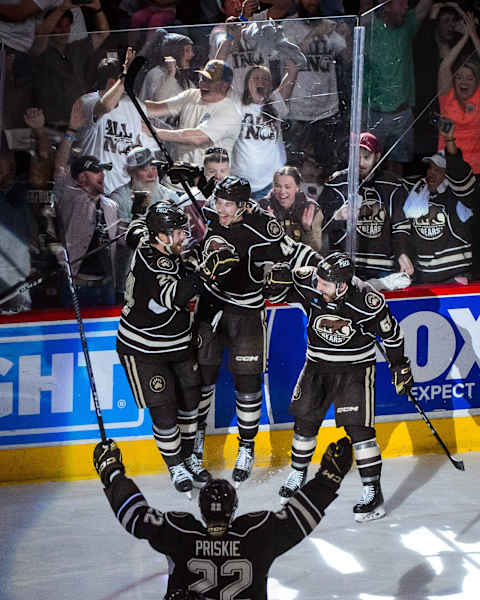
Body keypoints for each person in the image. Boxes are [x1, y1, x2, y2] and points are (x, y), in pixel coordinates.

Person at [93, 434, 353, 599]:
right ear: (234, 508)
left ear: (202, 510)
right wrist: (328, 479)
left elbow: (134, 516)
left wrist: (112, 473)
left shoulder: (180, 533)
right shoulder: (257, 535)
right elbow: (299, 517)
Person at [186, 175, 319, 485]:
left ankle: (246, 448)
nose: (220, 209)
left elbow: (295, 252)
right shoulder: (209, 214)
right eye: (218, 201)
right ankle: (195, 447)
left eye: (228, 204)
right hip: (211, 307)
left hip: (246, 312)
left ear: (245, 205)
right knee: (202, 380)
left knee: (247, 382)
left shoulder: (264, 226)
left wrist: (326, 270)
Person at [265, 252, 413, 521]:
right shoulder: (310, 280)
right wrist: (276, 283)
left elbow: (392, 334)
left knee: (360, 432)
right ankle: (298, 473)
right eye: (318, 280)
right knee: (305, 423)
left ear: (342, 285)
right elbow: (277, 294)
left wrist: (399, 365)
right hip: (317, 366)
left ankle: (373, 495)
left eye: (325, 284)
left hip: (355, 370)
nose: (318, 286)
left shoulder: (368, 301)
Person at [118, 202, 239, 494]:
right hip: (144, 349)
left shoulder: (156, 243)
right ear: (160, 235)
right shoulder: (152, 262)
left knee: (190, 404)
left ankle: (189, 458)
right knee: (164, 412)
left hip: (179, 345)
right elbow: (176, 297)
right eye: (176, 232)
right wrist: (206, 271)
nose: (182, 237)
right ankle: (175, 465)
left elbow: (135, 232)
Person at [319, 132, 414, 282]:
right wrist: (337, 217)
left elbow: (400, 225)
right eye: (357, 157)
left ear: (377, 156)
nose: (361, 163)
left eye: (366, 157)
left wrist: (402, 253)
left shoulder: (392, 185)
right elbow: (319, 226)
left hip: (382, 268)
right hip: (344, 266)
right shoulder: (336, 183)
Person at [361, 0, 433, 175]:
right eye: (401, 3)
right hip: (374, 113)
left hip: (402, 113)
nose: (407, 7)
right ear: (386, 6)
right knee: (367, 165)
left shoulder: (407, 26)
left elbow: (424, 5)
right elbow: (365, 6)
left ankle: (395, 199)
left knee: (397, 165)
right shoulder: (370, 26)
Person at [74, 47, 157, 195]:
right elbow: (106, 106)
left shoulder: (133, 105)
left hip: (123, 191)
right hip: (93, 189)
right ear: (113, 82)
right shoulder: (87, 102)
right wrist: (125, 76)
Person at [145, 59, 242, 182]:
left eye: (209, 81)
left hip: (204, 188)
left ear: (224, 86)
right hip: (174, 182)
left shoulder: (230, 112)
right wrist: (124, 101)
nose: (202, 84)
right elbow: (156, 108)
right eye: (202, 78)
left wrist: (155, 132)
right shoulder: (191, 95)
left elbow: (197, 137)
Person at [402, 122, 476, 284]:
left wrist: (449, 140)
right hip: (424, 279)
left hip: (455, 279)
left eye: (438, 169)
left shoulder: (460, 195)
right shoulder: (418, 190)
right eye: (430, 168)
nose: (431, 173)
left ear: (448, 173)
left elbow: (460, 174)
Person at [282, 3, 349, 174]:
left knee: (327, 166)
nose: (311, 3)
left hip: (327, 110)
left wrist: (346, 35)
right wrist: (316, 33)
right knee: (293, 167)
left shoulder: (328, 26)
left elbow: (347, 57)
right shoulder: (288, 26)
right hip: (297, 111)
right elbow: (293, 57)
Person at [111, 145, 178, 296]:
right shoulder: (118, 198)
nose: (151, 173)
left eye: (153, 167)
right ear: (131, 172)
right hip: (132, 272)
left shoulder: (170, 197)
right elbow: (121, 240)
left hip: (165, 274)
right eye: (144, 169)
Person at [54, 154, 120, 307]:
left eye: (103, 171)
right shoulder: (69, 199)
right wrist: (70, 132)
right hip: (77, 287)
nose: (102, 174)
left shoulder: (111, 206)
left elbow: (120, 240)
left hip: (106, 287)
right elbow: (59, 171)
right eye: (97, 171)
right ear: (82, 177)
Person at [31, 3, 109, 129]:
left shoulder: (76, 48)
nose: (63, 31)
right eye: (58, 26)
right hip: (50, 126)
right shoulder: (41, 51)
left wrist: (97, 9)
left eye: (67, 26)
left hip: (78, 124)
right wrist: (63, 8)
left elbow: (103, 34)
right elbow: (42, 33)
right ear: (50, 26)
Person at [231, 62, 297, 199]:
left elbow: (292, 71)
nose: (260, 81)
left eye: (265, 79)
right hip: (241, 182)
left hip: (271, 184)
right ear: (247, 84)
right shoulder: (237, 104)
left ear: (271, 85)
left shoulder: (276, 103)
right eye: (256, 78)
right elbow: (217, 71)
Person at [209, 0, 295, 99]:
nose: (238, 6)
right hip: (235, 100)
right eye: (232, 3)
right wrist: (243, 18)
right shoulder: (219, 30)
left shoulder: (258, 20)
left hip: (260, 98)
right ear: (223, 9)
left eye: (240, 1)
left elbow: (285, 4)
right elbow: (227, 48)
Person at [437, 11, 480, 175]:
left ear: (477, 82)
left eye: (470, 78)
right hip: (446, 170)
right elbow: (444, 67)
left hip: (475, 171)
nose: (464, 82)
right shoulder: (447, 97)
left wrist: (473, 35)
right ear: (454, 80)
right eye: (460, 77)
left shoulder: (478, 96)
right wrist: (464, 38)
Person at [259, 165, 323, 252]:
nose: (282, 191)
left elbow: (316, 249)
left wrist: (308, 230)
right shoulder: (263, 207)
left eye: (287, 187)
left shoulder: (311, 209)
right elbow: (257, 248)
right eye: (278, 186)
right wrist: (269, 227)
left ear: (297, 187)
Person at [138, 30, 196, 104]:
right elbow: (158, 102)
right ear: (174, 52)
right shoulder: (156, 74)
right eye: (187, 50)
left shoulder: (182, 78)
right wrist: (171, 74)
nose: (192, 54)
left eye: (191, 50)